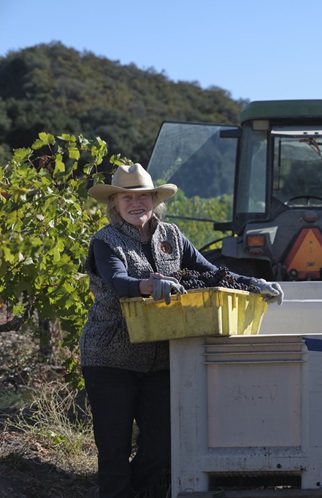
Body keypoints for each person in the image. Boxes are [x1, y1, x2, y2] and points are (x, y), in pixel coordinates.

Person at [81, 163, 283, 498]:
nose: (136, 203)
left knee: (162, 447)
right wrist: (146, 284)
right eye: (127, 197)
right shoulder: (106, 240)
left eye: (143, 196)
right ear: (114, 204)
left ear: (154, 199)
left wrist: (253, 283)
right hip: (110, 356)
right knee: (114, 448)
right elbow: (117, 282)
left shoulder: (171, 236)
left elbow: (211, 272)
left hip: (162, 355)